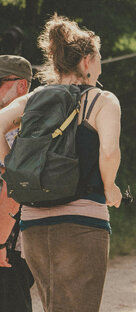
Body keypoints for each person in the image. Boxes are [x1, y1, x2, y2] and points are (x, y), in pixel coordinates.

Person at [0, 15, 122, 312]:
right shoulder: (102, 100)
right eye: (99, 58)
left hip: (34, 222)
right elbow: (108, 152)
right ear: (87, 61)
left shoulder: (33, 100)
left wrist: (11, 167)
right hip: (82, 220)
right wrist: (110, 186)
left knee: (54, 305)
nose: (100, 65)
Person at [0, 55, 34, 312]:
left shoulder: (18, 127)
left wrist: (1, 244)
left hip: (8, 246)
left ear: (21, 86)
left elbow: (12, 189)